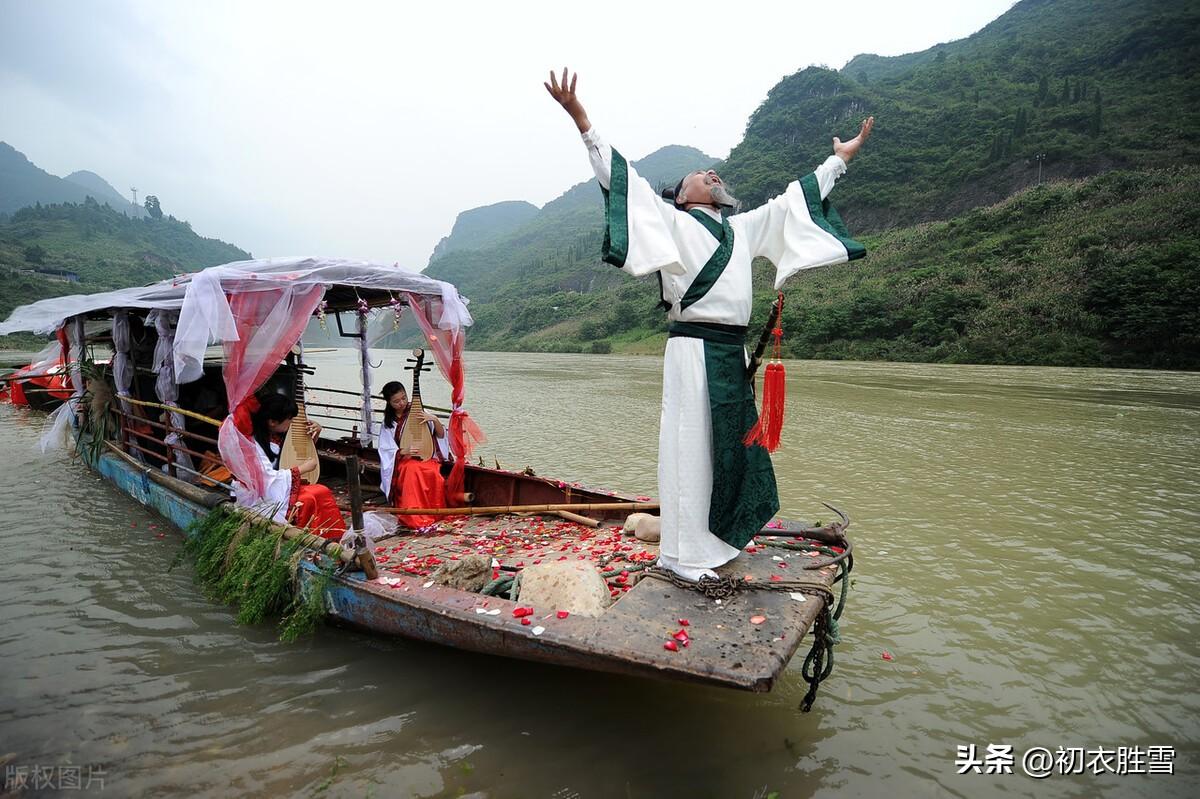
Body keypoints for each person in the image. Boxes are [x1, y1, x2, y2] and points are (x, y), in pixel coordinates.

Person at [545, 68, 873, 581]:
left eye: (715, 173)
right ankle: (685, 555)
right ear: (682, 196)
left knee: (731, 451)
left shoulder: (742, 229)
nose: (712, 175)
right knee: (691, 449)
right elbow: (619, 178)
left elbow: (796, 199)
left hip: (732, 353)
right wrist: (583, 121)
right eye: (701, 175)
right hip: (693, 350)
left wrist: (840, 159)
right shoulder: (671, 221)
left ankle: (720, 545)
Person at [247, 393, 346, 538]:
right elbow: (266, 479)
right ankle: (305, 537)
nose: (292, 422)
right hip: (264, 495)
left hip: (284, 486)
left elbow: (292, 454)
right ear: (272, 422)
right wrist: (303, 469)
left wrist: (315, 433)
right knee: (310, 498)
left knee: (322, 490)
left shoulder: (278, 434)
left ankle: (332, 537)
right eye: (289, 419)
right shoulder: (254, 444)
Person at [377, 380, 450, 529]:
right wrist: (403, 451)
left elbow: (441, 435)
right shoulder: (388, 423)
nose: (402, 403)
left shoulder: (417, 411)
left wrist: (434, 420)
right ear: (389, 403)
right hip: (404, 461)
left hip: (426, 457)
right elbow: (385, 450)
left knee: (432, 472)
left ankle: (435, 512)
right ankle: (414, 514)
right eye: (396, 401)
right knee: (412, 471)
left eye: (404, 398)